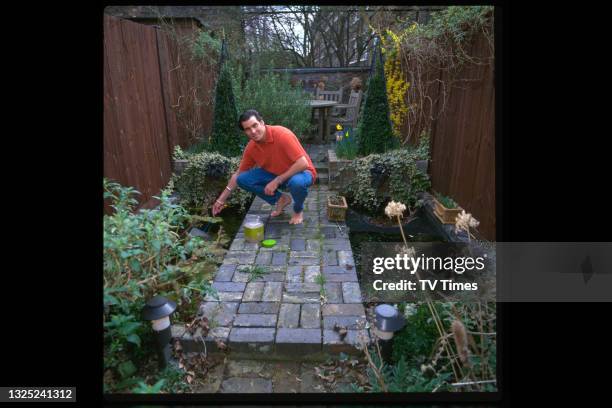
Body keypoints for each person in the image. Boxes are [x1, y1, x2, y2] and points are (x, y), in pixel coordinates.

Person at [211, 110, 317, 225]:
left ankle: (298, 211)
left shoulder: (282, 135)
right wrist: (220, 200)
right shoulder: (251, 148)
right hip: (278, 174)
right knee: (242, 179)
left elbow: (303, 163)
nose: (253, 131)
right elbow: (238, 174)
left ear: (262, 122)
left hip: (302, 173)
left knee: (296, 183)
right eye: (247, 129)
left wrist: (277, 180)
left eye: (255, 125)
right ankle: (281, 199)